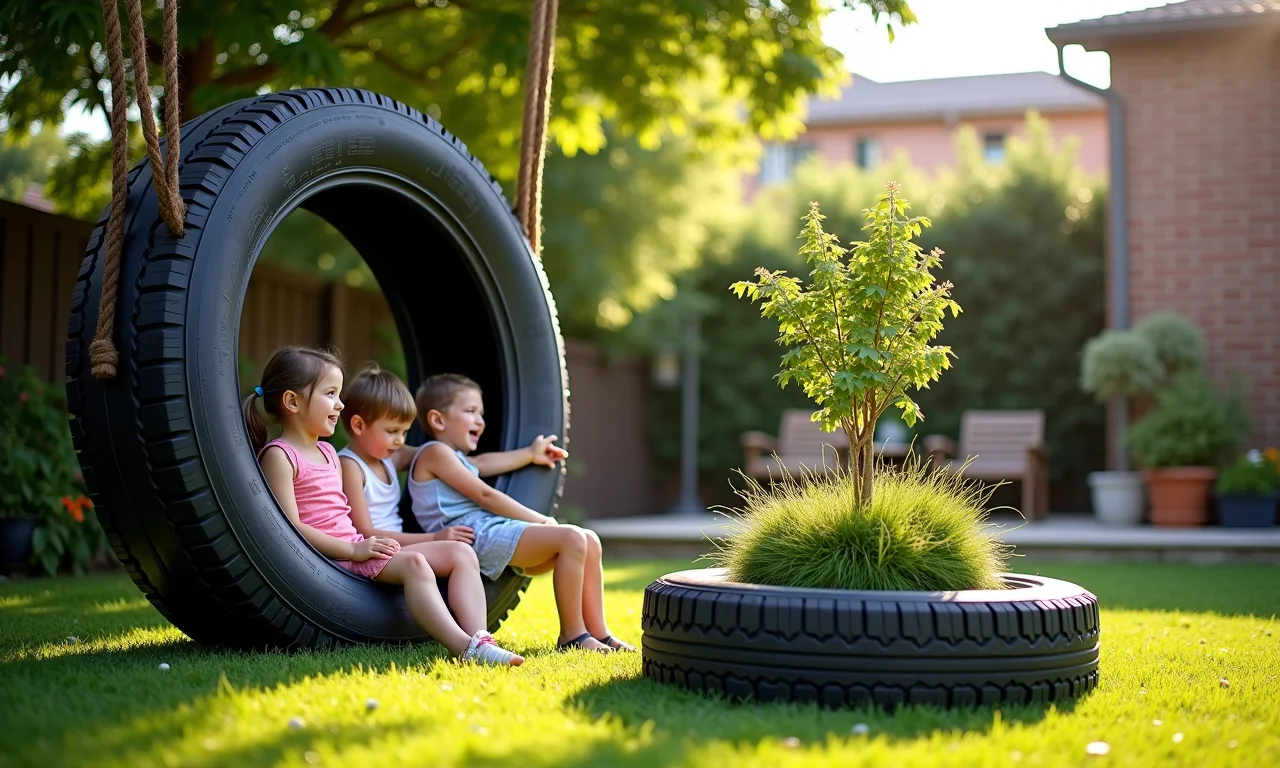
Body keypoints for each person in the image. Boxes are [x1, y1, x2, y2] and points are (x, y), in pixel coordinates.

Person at [242, 346, 522, 666]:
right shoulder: (280, 456)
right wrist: (352, 551)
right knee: (415, 563)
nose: (340, 404)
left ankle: (481, 638)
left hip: (356, 548)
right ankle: (465, 648)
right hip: (333, 557)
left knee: (460, 553)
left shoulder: (328, 453)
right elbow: (288, 528)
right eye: (331, 393)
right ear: (292, 402)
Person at [410, 373, 635, 653]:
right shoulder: (434, 453)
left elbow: (483, 462)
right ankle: (573, 636)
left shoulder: (454, 458)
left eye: (481, 413)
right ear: (438, 420)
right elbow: (485, 495)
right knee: (573, 538)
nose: (480, 420)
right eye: (470, 412)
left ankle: (599, 633)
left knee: (589, 539)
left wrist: (530, 454)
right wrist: (539, 520)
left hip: (486, 530)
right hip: (471, 534)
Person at [336, 364, 475, 547]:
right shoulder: (350, 466)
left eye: (404, 432)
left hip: (399, 548)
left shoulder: (391, 457)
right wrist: (434, 538)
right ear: (359, 426)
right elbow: (364, 532)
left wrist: (526, 455)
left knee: (462, 552)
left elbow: (451, 461)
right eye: (392, 431)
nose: (400, 440)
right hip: (376, 550)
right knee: (457, 553)